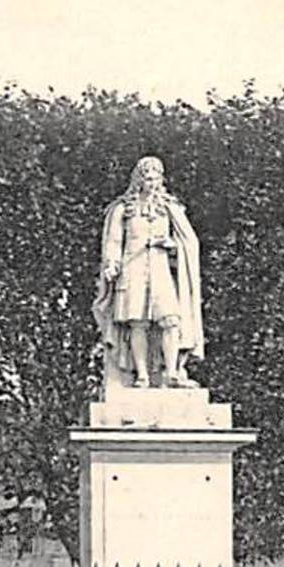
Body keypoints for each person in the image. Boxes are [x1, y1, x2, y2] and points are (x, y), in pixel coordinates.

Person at [90, 156, 204, 391]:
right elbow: (112, 241)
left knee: (171, 320)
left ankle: (172, 373)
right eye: (146, 178)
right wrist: (111, 264)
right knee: (137, 323)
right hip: (132, 271)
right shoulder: (123, 208)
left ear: (161, 180)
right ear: (138, 180)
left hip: (161, 270)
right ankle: (141, 375)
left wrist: (171, 245)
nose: (151, 183)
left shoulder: (169, 207)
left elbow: (189, 241)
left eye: (155, 178)